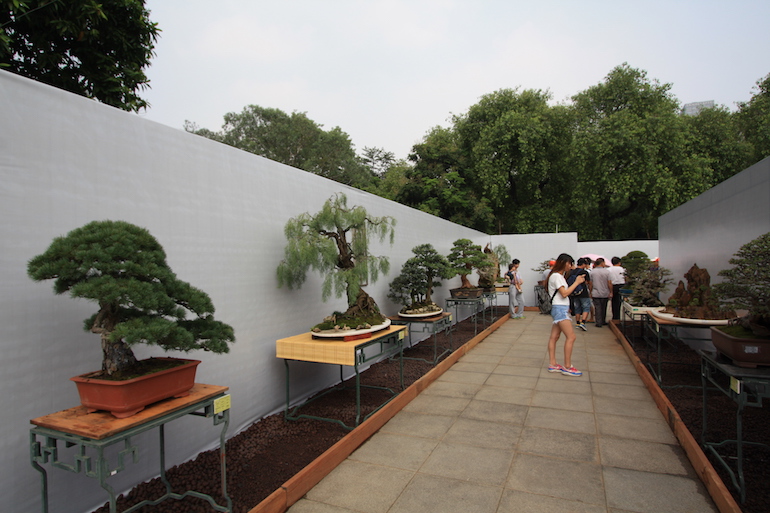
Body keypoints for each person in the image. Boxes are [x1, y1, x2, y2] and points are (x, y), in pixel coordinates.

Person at [547, 253, 585, 377]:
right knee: (571, 337)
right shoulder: (557, 276)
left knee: (554, 337)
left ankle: (553, 363)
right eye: (570, 263)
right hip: (560, 309)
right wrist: (577, 282)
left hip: (559, 308)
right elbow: (564, 293)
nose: (571, 266)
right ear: (564, 263)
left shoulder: (556, 276)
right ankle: (567, 366)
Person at [568, 257, 592, 331]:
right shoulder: (584, 272)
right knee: (586, 307)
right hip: (583, 292)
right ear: (583, 264)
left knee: (577, 307)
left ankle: (578, 322)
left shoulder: (572, 272)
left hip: (574, 292)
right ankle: (583, 322)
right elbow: (589, 282)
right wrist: (590, 291)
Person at [590, 258, 612, 327]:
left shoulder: (592, 272)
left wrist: (590, 292)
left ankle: (598, 322)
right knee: (604, 307)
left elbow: (590, 283)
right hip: (605, 292)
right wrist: (611, 291)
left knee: (597, 308)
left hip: (595, 292)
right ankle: (603, 321)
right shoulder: (607, 272)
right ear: (602, 263)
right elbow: (609, 283)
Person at [609, 256, 626, 321]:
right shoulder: (622, 269)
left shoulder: (609, 269)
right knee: (619, 302)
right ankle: (618, 317)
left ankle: (614, 316)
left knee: (613, 302)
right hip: (621, 285)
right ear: (619, 262)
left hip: (612, 285)